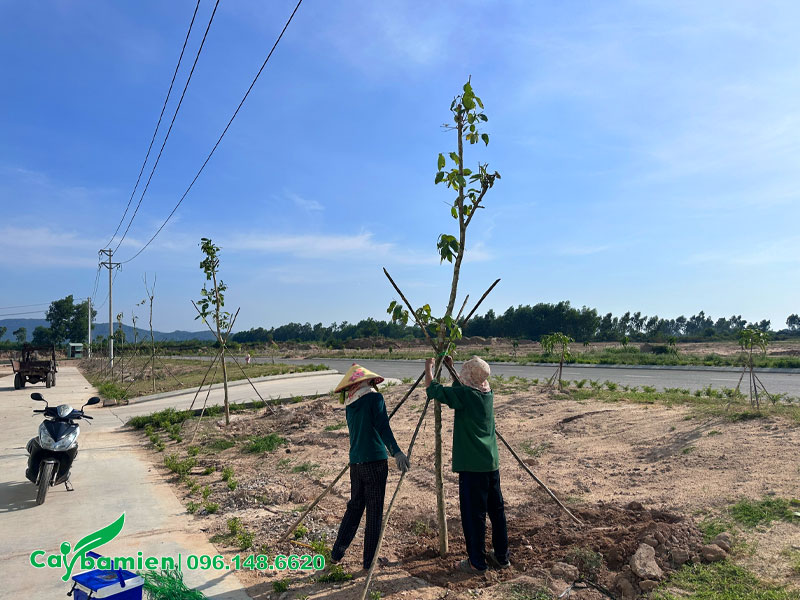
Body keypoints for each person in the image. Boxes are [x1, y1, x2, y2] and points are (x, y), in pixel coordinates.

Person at [424, 355, 510, 575]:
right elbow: (460, 390)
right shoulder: (486, 393)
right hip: (491, 463)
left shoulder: (465, 395)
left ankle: (476, 562)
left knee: (474, 516)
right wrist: (451, 369)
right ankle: (502, 557)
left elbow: (433, 390)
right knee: (496, 511)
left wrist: (429, 367)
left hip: (473, 467)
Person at [331, 363, 411, 570]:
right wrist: (396, 451)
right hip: (375, 462)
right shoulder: (375, 398)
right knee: (374, 513)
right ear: (367, 381)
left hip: (356, 463)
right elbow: (383, 427)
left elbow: (369, 426)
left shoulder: (350, 403)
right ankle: (369, 562)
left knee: (355, 508)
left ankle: (336, 553)